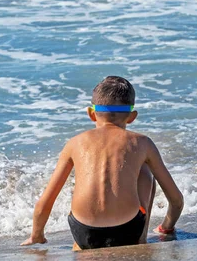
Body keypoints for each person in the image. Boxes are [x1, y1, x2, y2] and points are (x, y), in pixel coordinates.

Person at [21, 76, 184, 250]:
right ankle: (141, 239)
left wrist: (36, 235)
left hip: (83, 231)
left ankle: (79, 246)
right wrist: (167, 227)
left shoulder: (75, 143)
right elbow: (176, 200)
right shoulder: (142, 143)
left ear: (91, 114)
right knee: (145, 170)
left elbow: (45, 202)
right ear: (132, 117)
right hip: (128, 230)